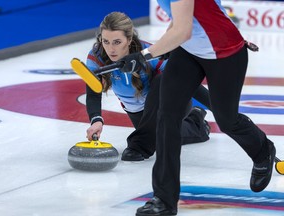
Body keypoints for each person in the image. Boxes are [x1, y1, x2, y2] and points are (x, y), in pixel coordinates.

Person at [118, 1, 276, 215]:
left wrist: (145, 54)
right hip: (188, 51)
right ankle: (164, 199)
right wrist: (165, 45)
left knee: (227, 120)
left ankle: (262, 150)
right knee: (167, 118)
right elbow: (179, 20)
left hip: (224, 51)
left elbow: (183, 30)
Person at [85, 12, 212, 162]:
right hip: (139, 113)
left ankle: (139, 146)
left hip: (170, 102)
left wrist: (221, 108)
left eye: (117, 42)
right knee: (162, 134)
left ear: (129, 39)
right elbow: (93, 92)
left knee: (163, 79)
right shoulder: (96, 57)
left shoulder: (150, 53)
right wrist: (96, 120)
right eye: (105, 41)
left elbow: (184, 81)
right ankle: (197, 122)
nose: (110, 49)